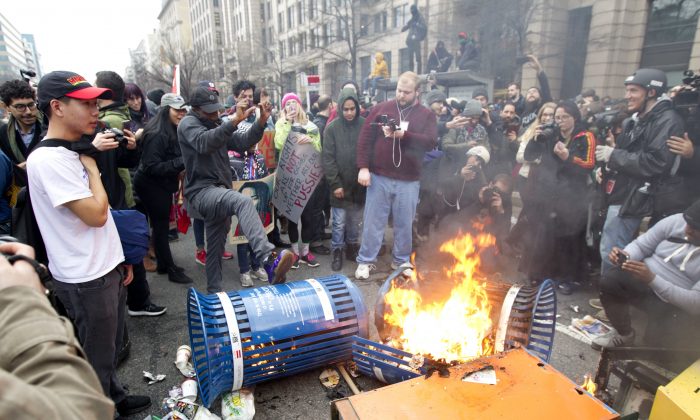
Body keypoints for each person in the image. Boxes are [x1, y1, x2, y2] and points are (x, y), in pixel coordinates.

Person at [28, 70, 151, 416]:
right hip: (84, 276)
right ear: (57, 107)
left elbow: (104, 216)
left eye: (96, 102)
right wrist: (94, 169)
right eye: (85, 103)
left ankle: (116, 398)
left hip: (104, 265)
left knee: (111, 348)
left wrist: (120, 258)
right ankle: (99, 410)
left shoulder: (71, 151)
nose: (95, 110)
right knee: (96, 359)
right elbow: (96, 214)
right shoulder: (50, 159)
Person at [178, 86, 293, 294]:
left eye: (216, 109)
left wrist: (260, 122)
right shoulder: (188, 124)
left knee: (215, 249)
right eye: (209, 110)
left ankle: (214, 294)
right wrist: (233, 122)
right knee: (243, 201)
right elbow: (205, 143)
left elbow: (242, 142)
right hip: (202, 192)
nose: (215, 114)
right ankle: (267, 258)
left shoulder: (215, 122)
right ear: (196, 109)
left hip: (220, 190)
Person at [0, 240, 115, 419]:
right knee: (97, 349)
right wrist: (22, 303)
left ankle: (116, 395)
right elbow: (83, 410)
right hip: (81, 275)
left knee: (107, 348)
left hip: (99, 266)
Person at [595, 69, 685, 277]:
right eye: (627, 90)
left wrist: (613, 156)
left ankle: (611, 297)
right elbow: (625, 154)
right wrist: (608, 168)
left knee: (613, 250)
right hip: (623, 192)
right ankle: (613, 294)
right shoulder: (635, 120)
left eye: (633, 90)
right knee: (614, 246)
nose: (628, 96)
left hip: (634, 197)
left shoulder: (668, 121)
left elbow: (656, 162)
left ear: (652, 92)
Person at [92, 71, 165, 318]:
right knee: (127, 248)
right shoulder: (102, 124)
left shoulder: (110, 122)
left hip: (118, 195)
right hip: (109, 198)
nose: (91, 112)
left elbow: (122, 162)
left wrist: (133, 147)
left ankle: (137, 301)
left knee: (130, 246)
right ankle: (134, 301)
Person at [355, 72, 438, 279]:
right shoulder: (381, 109)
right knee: (373, 220)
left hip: (409, 179)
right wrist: (363, 167)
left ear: (417, 92)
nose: (401, 95)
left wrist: (405, 135)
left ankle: (401, 260)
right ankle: (366, 260)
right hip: (380, 175)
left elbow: (430, 142)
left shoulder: (426, 114)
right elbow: (365, 139)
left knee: (404, 222)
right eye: (399, 90)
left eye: (406, 92)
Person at [591, 201, 700, 350]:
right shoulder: (676, 221)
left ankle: (658, 332)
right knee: (610, 280)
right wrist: (626, 255)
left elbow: (695, 304)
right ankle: (624, 333)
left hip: (674, 304)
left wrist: (652, 279)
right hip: (644, 280)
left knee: (657, 350)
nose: (687, 229)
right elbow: (641, 245)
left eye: (695, 229)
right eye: (687, 223)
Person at [522, 100, 596, 294]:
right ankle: (546, 275)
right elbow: (529, 156)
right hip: (550, 194)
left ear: (574, 118)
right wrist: (535, 139)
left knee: (570, 239)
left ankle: (570, 279)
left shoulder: (585, 136)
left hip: (573, 197)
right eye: (557, 118)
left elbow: (589, 165)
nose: (560, 121)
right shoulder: (551, 134)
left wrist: (568, 157)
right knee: (548, 236)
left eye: (565, 117)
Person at [134, 93, 193, 284]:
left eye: (183, 110)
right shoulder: (157, 134)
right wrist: (181, 162)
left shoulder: (171, 129)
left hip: (161, 185)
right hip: (151, 186)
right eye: (177, 110)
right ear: (166, 110)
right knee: (160, 227)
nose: (181, 114)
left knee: (160, 227)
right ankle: (169, 268)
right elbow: (152, 167)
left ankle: (163, 264)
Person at [274, 93, 323, 268]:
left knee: (308, 217)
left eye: (294, 102)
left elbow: (318, 149)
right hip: (290, 179)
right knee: (293, 218)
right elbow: (279, 144)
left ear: (300, 105)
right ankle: (295, 252)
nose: (291, 106)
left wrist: (311, 140)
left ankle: (305, 252)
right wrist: (288, 122)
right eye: (288, 103)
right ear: (284, 108)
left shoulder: (311, 126)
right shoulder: (281, 124)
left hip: (307, 178)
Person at [322, 88, 366, 271]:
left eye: (352, 108)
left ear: (357, 107)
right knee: (339, 222)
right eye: (345, 109)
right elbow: (328, 159)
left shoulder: (364, 125)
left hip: (358, 186)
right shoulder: (332, 128)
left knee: (355, 220)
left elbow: (367, 152)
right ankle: (338, 250)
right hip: (339, 186)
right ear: (340, 108)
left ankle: (352, 247)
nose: (349, 113)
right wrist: (335, 184)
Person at [0, 79, 43, 165]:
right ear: (6, 107)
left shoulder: (50, 125)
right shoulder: (3, 134)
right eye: (20, 107)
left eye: (31, 105)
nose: (28, 112)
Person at [401, 5, 427, 74]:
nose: (412, 11)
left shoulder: (420, 18)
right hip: (410, 41)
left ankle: (419, 73)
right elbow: (408, 25)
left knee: (418, 58)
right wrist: (404, 28)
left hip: (416, 40)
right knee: (410, 58)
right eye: (411, 10)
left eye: (413, 10)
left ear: (415, 10)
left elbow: (424, 27)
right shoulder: (412, 19)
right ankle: (411, 72)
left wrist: (417, 25)